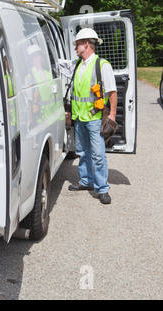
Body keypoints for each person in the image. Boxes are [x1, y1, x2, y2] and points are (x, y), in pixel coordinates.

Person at [66, 28, 117, 205]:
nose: (75, 48)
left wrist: (112, 115)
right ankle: (86, 182)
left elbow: (112, 92)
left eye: (77, 44)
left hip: (95, 118)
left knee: (98, 154)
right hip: (79, 117)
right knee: (82, 151)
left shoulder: (103, 65)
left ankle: (102, 189)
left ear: (86, 44)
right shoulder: (78, 64)